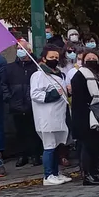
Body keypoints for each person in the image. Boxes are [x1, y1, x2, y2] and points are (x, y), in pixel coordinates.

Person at [29, 46, 71, 186]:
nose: (54, 60)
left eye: (56, 57)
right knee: (49, 146)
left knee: (57, 145)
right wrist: (52, 95)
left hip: (59, 115)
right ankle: (48, 175)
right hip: (46, 116)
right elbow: (35, 94)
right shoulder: (38, 75)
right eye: (51, 57)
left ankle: (56, 173)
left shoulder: (58, 74)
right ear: (43, 58)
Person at [71, 50, 99, 186]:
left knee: (96, 147)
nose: (91, 60)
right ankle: (88, 175)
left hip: (98, 115)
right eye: (88, 58)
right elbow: (79, 98)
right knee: (87, 147)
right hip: (86, 115)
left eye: (93, 58)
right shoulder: (80, 75)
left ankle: (95, 173)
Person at [2, 40, 41, 168]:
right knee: (19, 132)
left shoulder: (35, 67)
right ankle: (22, 155)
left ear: (29, 51)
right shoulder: (10, 68)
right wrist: (9, 98)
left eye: (22, 49)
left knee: (33, 131)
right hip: (16, 104)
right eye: (18, 48)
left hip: (32, 104)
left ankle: (35, 155)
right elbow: (4, 85)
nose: (20, 51)